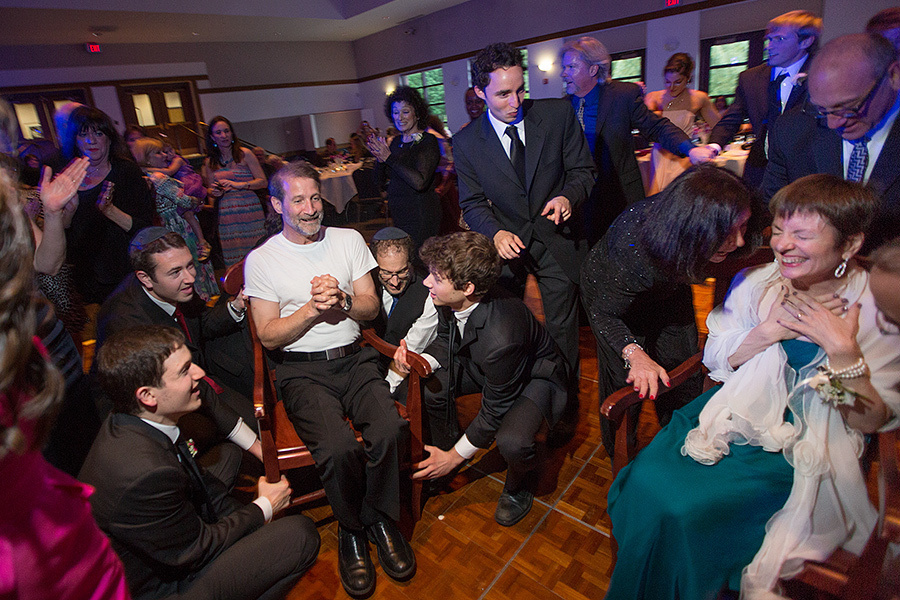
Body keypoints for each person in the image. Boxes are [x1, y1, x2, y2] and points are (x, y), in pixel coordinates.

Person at [605, 174, 900, 599]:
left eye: (802, 235)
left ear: (849, 245)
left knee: (685, 511)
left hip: (805, 447)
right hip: (730, 416)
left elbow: (870, 420)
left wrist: (841, 351)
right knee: (648, 484)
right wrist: (767, 331)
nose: (781, 245)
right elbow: (716, 360)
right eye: (778, 230)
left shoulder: (876, 308)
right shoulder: (758, 281)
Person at [244, 161, 415, 598]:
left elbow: (371, 307)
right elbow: (266, 333)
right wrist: (311, 310)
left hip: (354, 360)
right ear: (277, 204)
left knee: (392, 428)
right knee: (338, 449)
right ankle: (352, 528)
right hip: (301, 370)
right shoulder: (262, 259)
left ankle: (379, 519)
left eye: (315, 197)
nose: (309, 208)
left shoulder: (348, 239)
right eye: (298, 199)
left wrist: (341, 299)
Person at [80, 325, 320, 600]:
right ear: (147, 396)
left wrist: (251, 523)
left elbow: (209, 491)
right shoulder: (145, 473)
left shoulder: (140, 420)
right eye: (184, 371)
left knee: (229, 459)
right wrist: (264, 507)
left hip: (177, 545)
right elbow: (196, 550)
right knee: (300, 535)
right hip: (166, 589)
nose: (199, 373)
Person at [0, 164, 131, 600]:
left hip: (48, 347)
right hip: (12, 365)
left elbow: (47, 263)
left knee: (81, 449)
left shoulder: (8, 207)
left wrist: (52, 214)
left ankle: (105, 546)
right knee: (37, 465)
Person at [582, 165, 759, 460]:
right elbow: (603, 314)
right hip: (613, 301)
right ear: (695, 226)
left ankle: (680, 442)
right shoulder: (632, 249)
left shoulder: (686, 228)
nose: (740, 241)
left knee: (682, 368)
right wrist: (635, 355)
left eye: (743, 227)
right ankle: (621, 456)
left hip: (667, 289)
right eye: (730, 232)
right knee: (629, 383)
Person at [411, 231, 571, 527]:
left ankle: (521, 480)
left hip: (534, 378)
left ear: (468, 287)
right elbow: (446, 337)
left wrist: (455, 459)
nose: (426, 282)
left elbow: (494, 408)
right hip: (488, 366)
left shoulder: (501, 338)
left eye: (436, 277)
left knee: (512, 441)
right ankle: (446, 450)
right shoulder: (451, 298)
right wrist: (420, 360)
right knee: (433, 386)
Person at [454, 42, 594, 378]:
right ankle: (518, 399)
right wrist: (496, 233)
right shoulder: (466, 143)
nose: (515, 103)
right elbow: (471, 204)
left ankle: (564, 405)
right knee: (506, 332)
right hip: (506, 248)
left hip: (557, 243)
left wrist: (567, 198)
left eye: (520, 90)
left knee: (562, 335)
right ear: (479, 92)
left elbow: (583, 172)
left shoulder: (557, 115)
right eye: (503, 94)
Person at [97, 226, 257, 430]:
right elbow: (152, 395)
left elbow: (200, 322)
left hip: (193, 378)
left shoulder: (174, 287)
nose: (190, 278)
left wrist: (236, 306)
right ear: (145, 278)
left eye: (190, 265)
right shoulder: (127, 323)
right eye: (176, 272)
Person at [560, 36, 715, 244]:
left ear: (593, 69)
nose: (564, 73)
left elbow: (657, 127)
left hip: (620, 199)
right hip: (581, 204)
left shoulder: (622, 95)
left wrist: (690, 149)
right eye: (564, 67)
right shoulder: (561, 107)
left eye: (571, 67)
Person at [762, 32, 900, 254]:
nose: (834, 123)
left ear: (893, 76)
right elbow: (772, 208)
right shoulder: (792, 129)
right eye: (822, 110)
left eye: (849, 107)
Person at [63, 106, 155, 335]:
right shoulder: (68, 177)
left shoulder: (126, 172)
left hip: (126, 275)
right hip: (88, 282)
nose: (91, 140)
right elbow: (64, 237)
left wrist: (110, 210)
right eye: (83, 134)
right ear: (75, 140)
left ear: (109, 138)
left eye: (98, 133)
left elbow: (146, 229)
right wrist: (66, 212)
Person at [709, 10, 822, 189]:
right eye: (769, 40)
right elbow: (732, 118)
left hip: (806, 174)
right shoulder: (750, 78)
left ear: (805, 41)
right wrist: (713, 146)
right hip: (759, 171)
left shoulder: (822, 74)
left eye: (779, 39)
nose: (769, 46)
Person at [132, 138, 219, 300]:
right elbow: (183, 201)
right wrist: (197, 201)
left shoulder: (147, 176)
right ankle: (202, 301)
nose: (164, 155)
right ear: (147, 158)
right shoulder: (158, 177)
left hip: (170, 223)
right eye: (158, 152)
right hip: (179, 225)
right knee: (193, 263)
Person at [366, 86, 441, 249]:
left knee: (421, 261)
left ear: (417, 113)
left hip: (421, 214)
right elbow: (379, 182)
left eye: (405, 111)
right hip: (399, 214)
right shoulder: (395, 143)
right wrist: (379, 160)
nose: (399, 117)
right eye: (395, 112)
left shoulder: (427, 141)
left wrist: (389, 158)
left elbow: (419, 182)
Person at [367, 227, 438, 397]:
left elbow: (414, 346)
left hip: (404, 369)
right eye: (386, 273)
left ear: (410, 263)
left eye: (402, 271)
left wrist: (386, 392)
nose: (394, 282)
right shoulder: (365, 283)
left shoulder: (428, 292)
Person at [644, 53, 721, 193]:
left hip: (685, 155)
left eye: (678, 82)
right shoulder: (654, 97)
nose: (671, 87)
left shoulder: (699, 98)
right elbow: (647, 126)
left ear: (688, 79)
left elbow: (719, 126)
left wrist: (711, 147)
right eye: (667, 82)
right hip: (660, 156)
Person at [202, 115, 267, 267]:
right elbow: (211, 189)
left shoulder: (245, 154)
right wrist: (215, 192)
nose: (223, 136)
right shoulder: (209, 162)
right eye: (218, 133)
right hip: (227, 213)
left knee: (257, 251)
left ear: (232, 133)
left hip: (250, 208)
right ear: (212, 137)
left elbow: (263, 182)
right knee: (234, 254)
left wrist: (240, 185)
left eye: (226, 131)